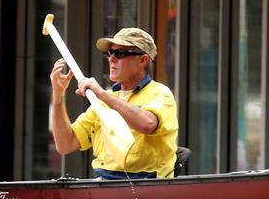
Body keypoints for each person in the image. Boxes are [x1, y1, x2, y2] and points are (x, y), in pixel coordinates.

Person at [49, 27, 178, 179]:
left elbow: (147, 124)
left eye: (120, 54)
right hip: (105, 186)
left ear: (142, 60)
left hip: (147, 188)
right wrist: (58, 97)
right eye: (110, 53)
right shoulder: (104, 100)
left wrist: (102, 94)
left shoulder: (160, 93)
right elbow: (65, 144)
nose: (111, 59)